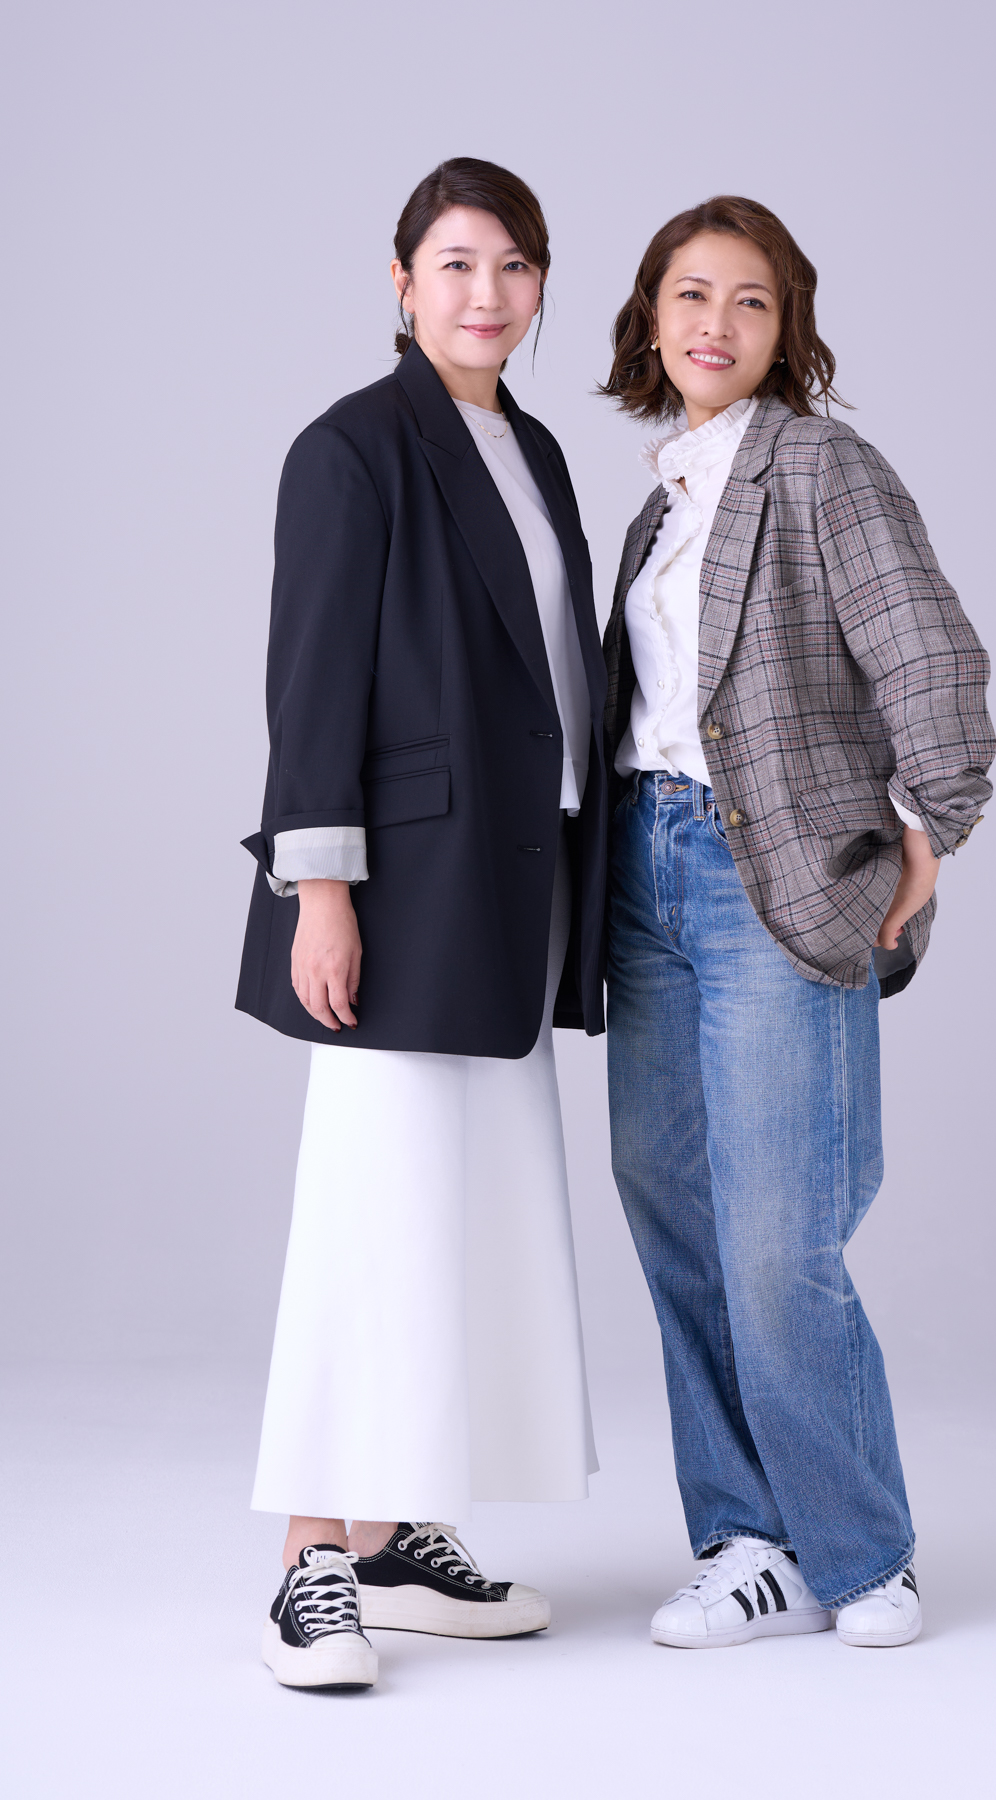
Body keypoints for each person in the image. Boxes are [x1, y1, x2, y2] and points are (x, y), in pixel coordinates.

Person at [598, 196, 995, 1650]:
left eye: (751, 301)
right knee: (678, 1215)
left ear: (788, 329)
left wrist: (930, 825)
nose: (716, 323)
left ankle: (861, 1551)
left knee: (781, 1235)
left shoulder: (823, 466)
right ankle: (749, 1541)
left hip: (767, 876)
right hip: (640, 874)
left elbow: (930, 653)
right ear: (651, 318)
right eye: (691, 295)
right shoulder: (661, 501)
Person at [235, 158, 608, 1691]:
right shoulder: (352, 449)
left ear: (539, 286)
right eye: (456, 264)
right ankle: (310, 1560)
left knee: (463, 1217)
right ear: (403, 285)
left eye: (513, 265)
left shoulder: (533, 448)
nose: (486, 293)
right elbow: (312, 681)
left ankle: (392, 1542)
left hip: (513, 890)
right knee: (368, 1213)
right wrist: (322, 892)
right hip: (402, 897)